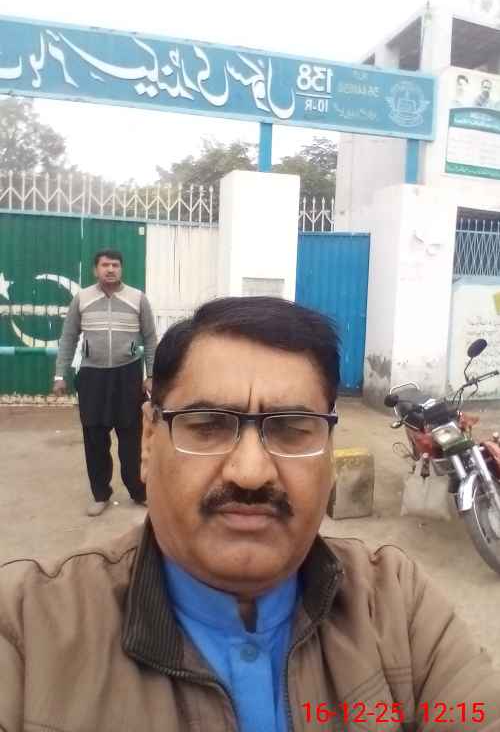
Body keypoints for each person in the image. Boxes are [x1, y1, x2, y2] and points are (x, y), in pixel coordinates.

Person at [1, 296, 499, 732]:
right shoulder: (28, 631)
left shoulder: (394, 607)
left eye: (291, 428)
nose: (251, 472)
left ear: (328, 450)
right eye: (207, 425)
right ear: (149, 442)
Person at [52, 248, 157, 516]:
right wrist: (60, 374)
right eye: (105, 265)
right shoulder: (82, 299)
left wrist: (151, 375)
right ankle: (101, 494)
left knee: (131, 437)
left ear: (121, 269)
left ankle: (138, 491)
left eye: (115, 265)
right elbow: (68, 337)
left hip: (127, 375)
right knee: (95, 438)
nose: (110, 269)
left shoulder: (137, 298)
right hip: (92, 376)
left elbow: (150, 338)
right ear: (95, 270)